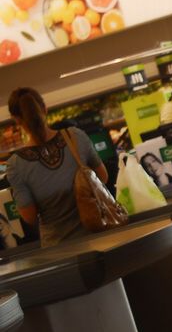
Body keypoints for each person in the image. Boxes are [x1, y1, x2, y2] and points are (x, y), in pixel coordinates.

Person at [6, 87, 108, 247]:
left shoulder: (16, 165)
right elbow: (103, 177)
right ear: (44, 109)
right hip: (98, 235)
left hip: (59, 249)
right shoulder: (75, 136)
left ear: (17, 120)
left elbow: (30, 217)